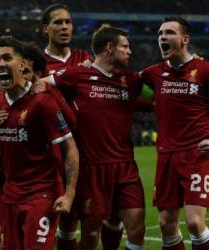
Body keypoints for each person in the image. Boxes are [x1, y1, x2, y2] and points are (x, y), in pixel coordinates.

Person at [40, 25, 146, 250]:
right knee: (89, 236)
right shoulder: (76, 74)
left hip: (126, 167)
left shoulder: (132, 81)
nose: (130, 52)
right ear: (110, 47)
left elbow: (164, 93)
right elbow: (40, 86)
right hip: (92, 168)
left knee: (137, 229)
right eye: (125, 46)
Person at [0, 36, 79, 250]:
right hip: (10, 196)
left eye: (7, 58)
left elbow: (70, 148)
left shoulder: (42, 102)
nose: (1, 63)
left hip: (42, 193)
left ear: (22, 64)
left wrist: (69, 194)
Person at [141, 16, 209, 250]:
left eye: (169, 33)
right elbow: (119, 81)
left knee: (194, 222)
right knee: (166, 223)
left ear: (184, 39)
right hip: (166, 156)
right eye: (160, 34)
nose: (162, 38)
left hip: (196, 154)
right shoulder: (153, 73)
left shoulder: (204, 70)